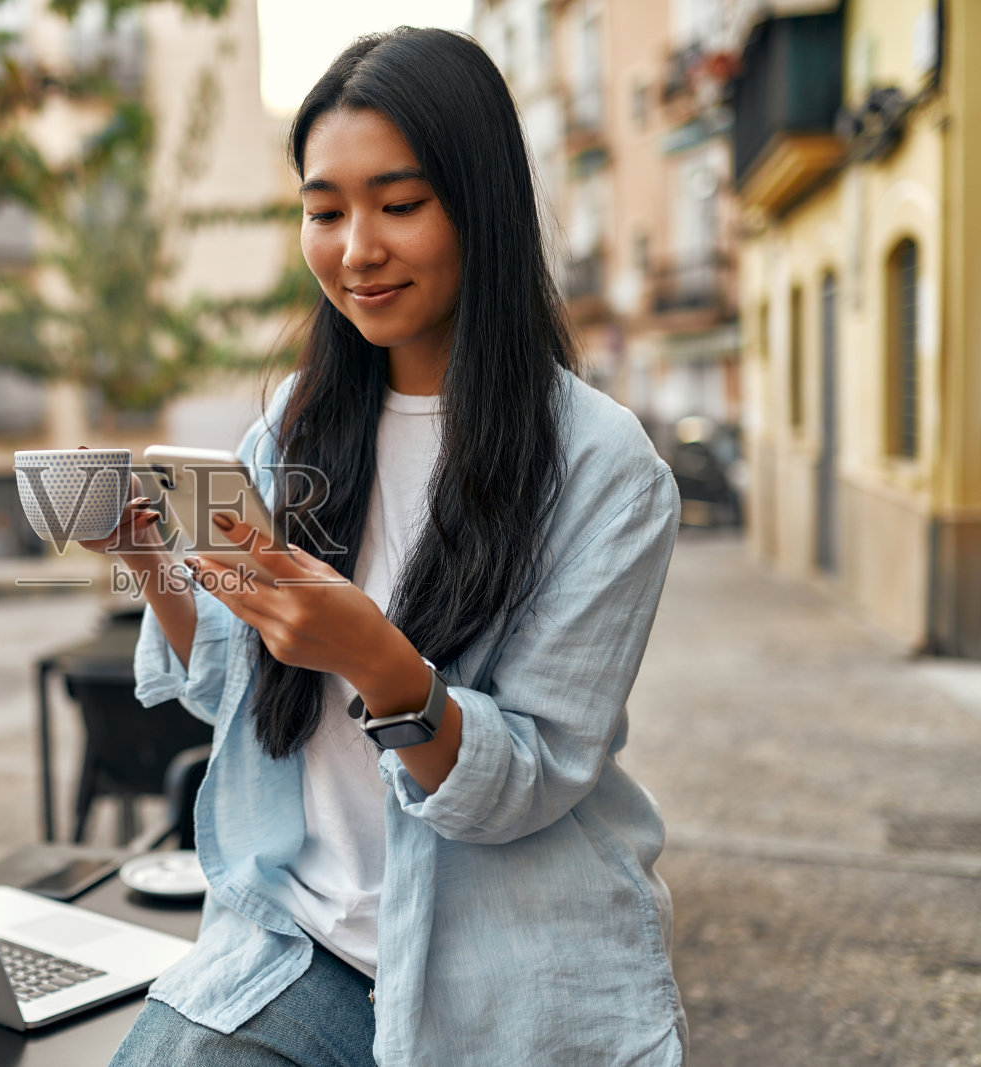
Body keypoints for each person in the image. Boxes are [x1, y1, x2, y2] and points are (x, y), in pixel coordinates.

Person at [80, 27, 686, 1067]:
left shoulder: (602, 466)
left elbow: (528, 781)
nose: (355, 247)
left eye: (397, 204)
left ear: (479, 204)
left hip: (498, 964)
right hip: (303, 937)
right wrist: (149, 563)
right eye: (324, 211)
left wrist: (375, 657)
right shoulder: (288, 435)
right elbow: (229, 696)